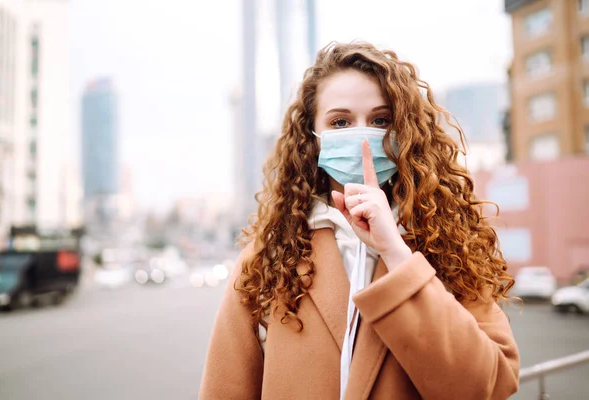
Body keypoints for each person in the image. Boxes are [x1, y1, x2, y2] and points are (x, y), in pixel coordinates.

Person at [199, 41, 520, 399]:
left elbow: (487, 385)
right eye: (340, 121)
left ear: (405, 132)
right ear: (313, 138)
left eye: (381, 120)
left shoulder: (449, 246)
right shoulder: (266, 260)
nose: (362, 135)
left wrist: (396, 253)